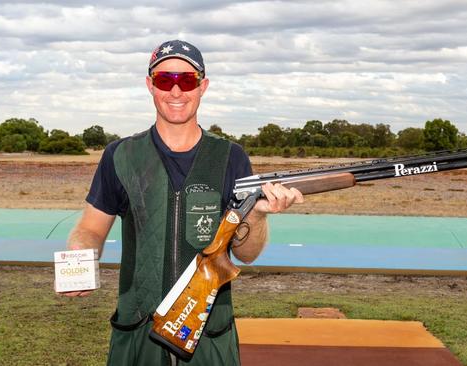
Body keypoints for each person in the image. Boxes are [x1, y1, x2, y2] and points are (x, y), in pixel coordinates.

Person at [60, 40, 303, 365]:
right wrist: (81, 256)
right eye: (165, 80)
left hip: (209, 335)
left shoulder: (231, 157)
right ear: (150, 85)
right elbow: (90, 228)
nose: (176, 91)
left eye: (187, 80)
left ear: (203, 86)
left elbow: (246, 254)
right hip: (138, 332)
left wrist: (258, 215)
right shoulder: (120, 156)